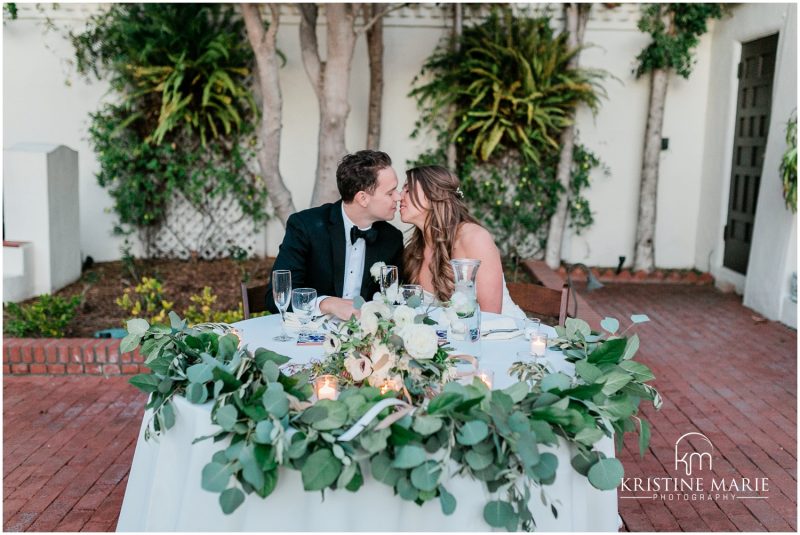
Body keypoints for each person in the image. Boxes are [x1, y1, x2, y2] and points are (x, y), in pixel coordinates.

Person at [266, 150, 404, 320]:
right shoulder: (306, 226)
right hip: (310, 333)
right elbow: (277, 298)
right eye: (390, 193)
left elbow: (392, 301)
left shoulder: (392, 238)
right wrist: (328, 303)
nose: (398, 197)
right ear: (362, 198)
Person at [400, 165, 525, 318]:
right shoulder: (415, 250)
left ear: (432, 194)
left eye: (407, 190)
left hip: (501, 334)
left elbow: (491, 317)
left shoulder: (474, 239)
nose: (400, 196)